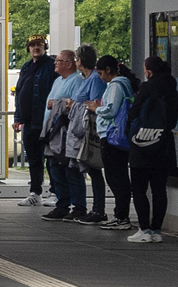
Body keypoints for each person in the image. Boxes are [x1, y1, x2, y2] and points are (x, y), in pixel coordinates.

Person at [127, 56, 178, 244]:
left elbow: (134, 113)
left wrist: (129, 135)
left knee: (139, 189)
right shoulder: (172, 89)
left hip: (142, 142)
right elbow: (172, 120)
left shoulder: (147, 88)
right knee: (159, 189)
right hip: (163, 143)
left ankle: (144, 229)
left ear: (148, 70)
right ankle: (157, 229)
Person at [41, 49, 87, 221]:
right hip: (54, 132)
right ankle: (62, 204)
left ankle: (79, 206)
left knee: (71, 170)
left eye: (58, 60)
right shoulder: (58, 80)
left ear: (68, 63)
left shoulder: (76, 80)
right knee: (56, 169)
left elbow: (74, 105)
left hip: (66, 132)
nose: (55, 63)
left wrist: (56, 103)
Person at [12, 36, 59, 207]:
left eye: (39, 44)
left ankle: (55, 192)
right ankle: (35, 192)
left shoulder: (51, 66)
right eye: (32, 45)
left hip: (47, 121)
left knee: (51, 158)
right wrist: (18, 118)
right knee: (33, 159)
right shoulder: (26, 67)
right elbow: (19, 93)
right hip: (29, 121)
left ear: (44, 46)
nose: (35, 48)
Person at [70, 45, 112, 226]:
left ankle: (98, 209)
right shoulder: (85, 78)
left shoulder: (95, 79)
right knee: (89, 169)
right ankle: (94, 208)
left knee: (95, 169)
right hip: (81, 128)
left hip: (91, 130)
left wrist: (76, 105)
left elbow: (94, 103)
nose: (76, 61)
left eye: (77, 58)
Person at [94, 55, 137, 231]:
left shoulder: (116, 85)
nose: (100, 77)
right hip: (120, 136)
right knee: (119, 176)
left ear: (109, 70)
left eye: (101, 73)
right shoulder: (126, 84)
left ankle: (121, 216)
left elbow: (111, 109)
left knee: (115, 176)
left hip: (112, 135)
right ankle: (121, 215)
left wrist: (96, 108)